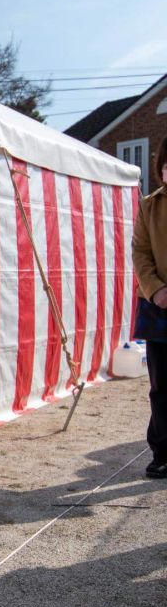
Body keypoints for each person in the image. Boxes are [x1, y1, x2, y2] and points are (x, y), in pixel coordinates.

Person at [132, 134, 167, 478]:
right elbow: (140, 253)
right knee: (161, 386)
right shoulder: (149, 205)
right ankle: (162, 452)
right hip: (159, 307)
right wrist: (156, 290)